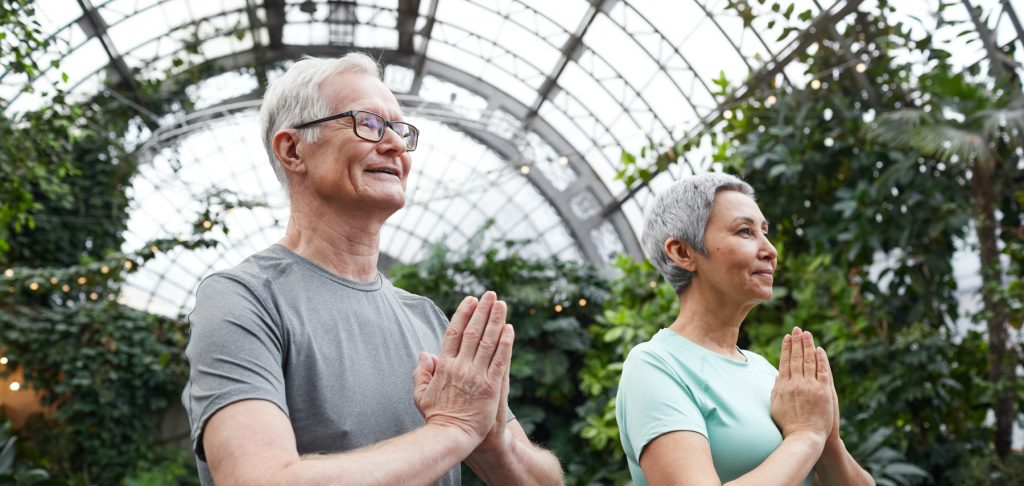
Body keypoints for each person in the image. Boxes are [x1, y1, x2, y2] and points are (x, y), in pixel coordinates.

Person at [181, 52, 563, 485]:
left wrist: (492, 440)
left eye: (401, 131)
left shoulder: (427, 318)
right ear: (293, 149)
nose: (397, 145)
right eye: (369, 124)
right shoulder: (243, 299)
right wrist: (452, 430)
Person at [615, 173, 874, 485]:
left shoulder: (767, 373)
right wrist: (805, 436)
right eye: (744, 232)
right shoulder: (655, 366)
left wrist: (827, 439)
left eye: (764, 232)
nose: (770, 250)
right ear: (684, 253)